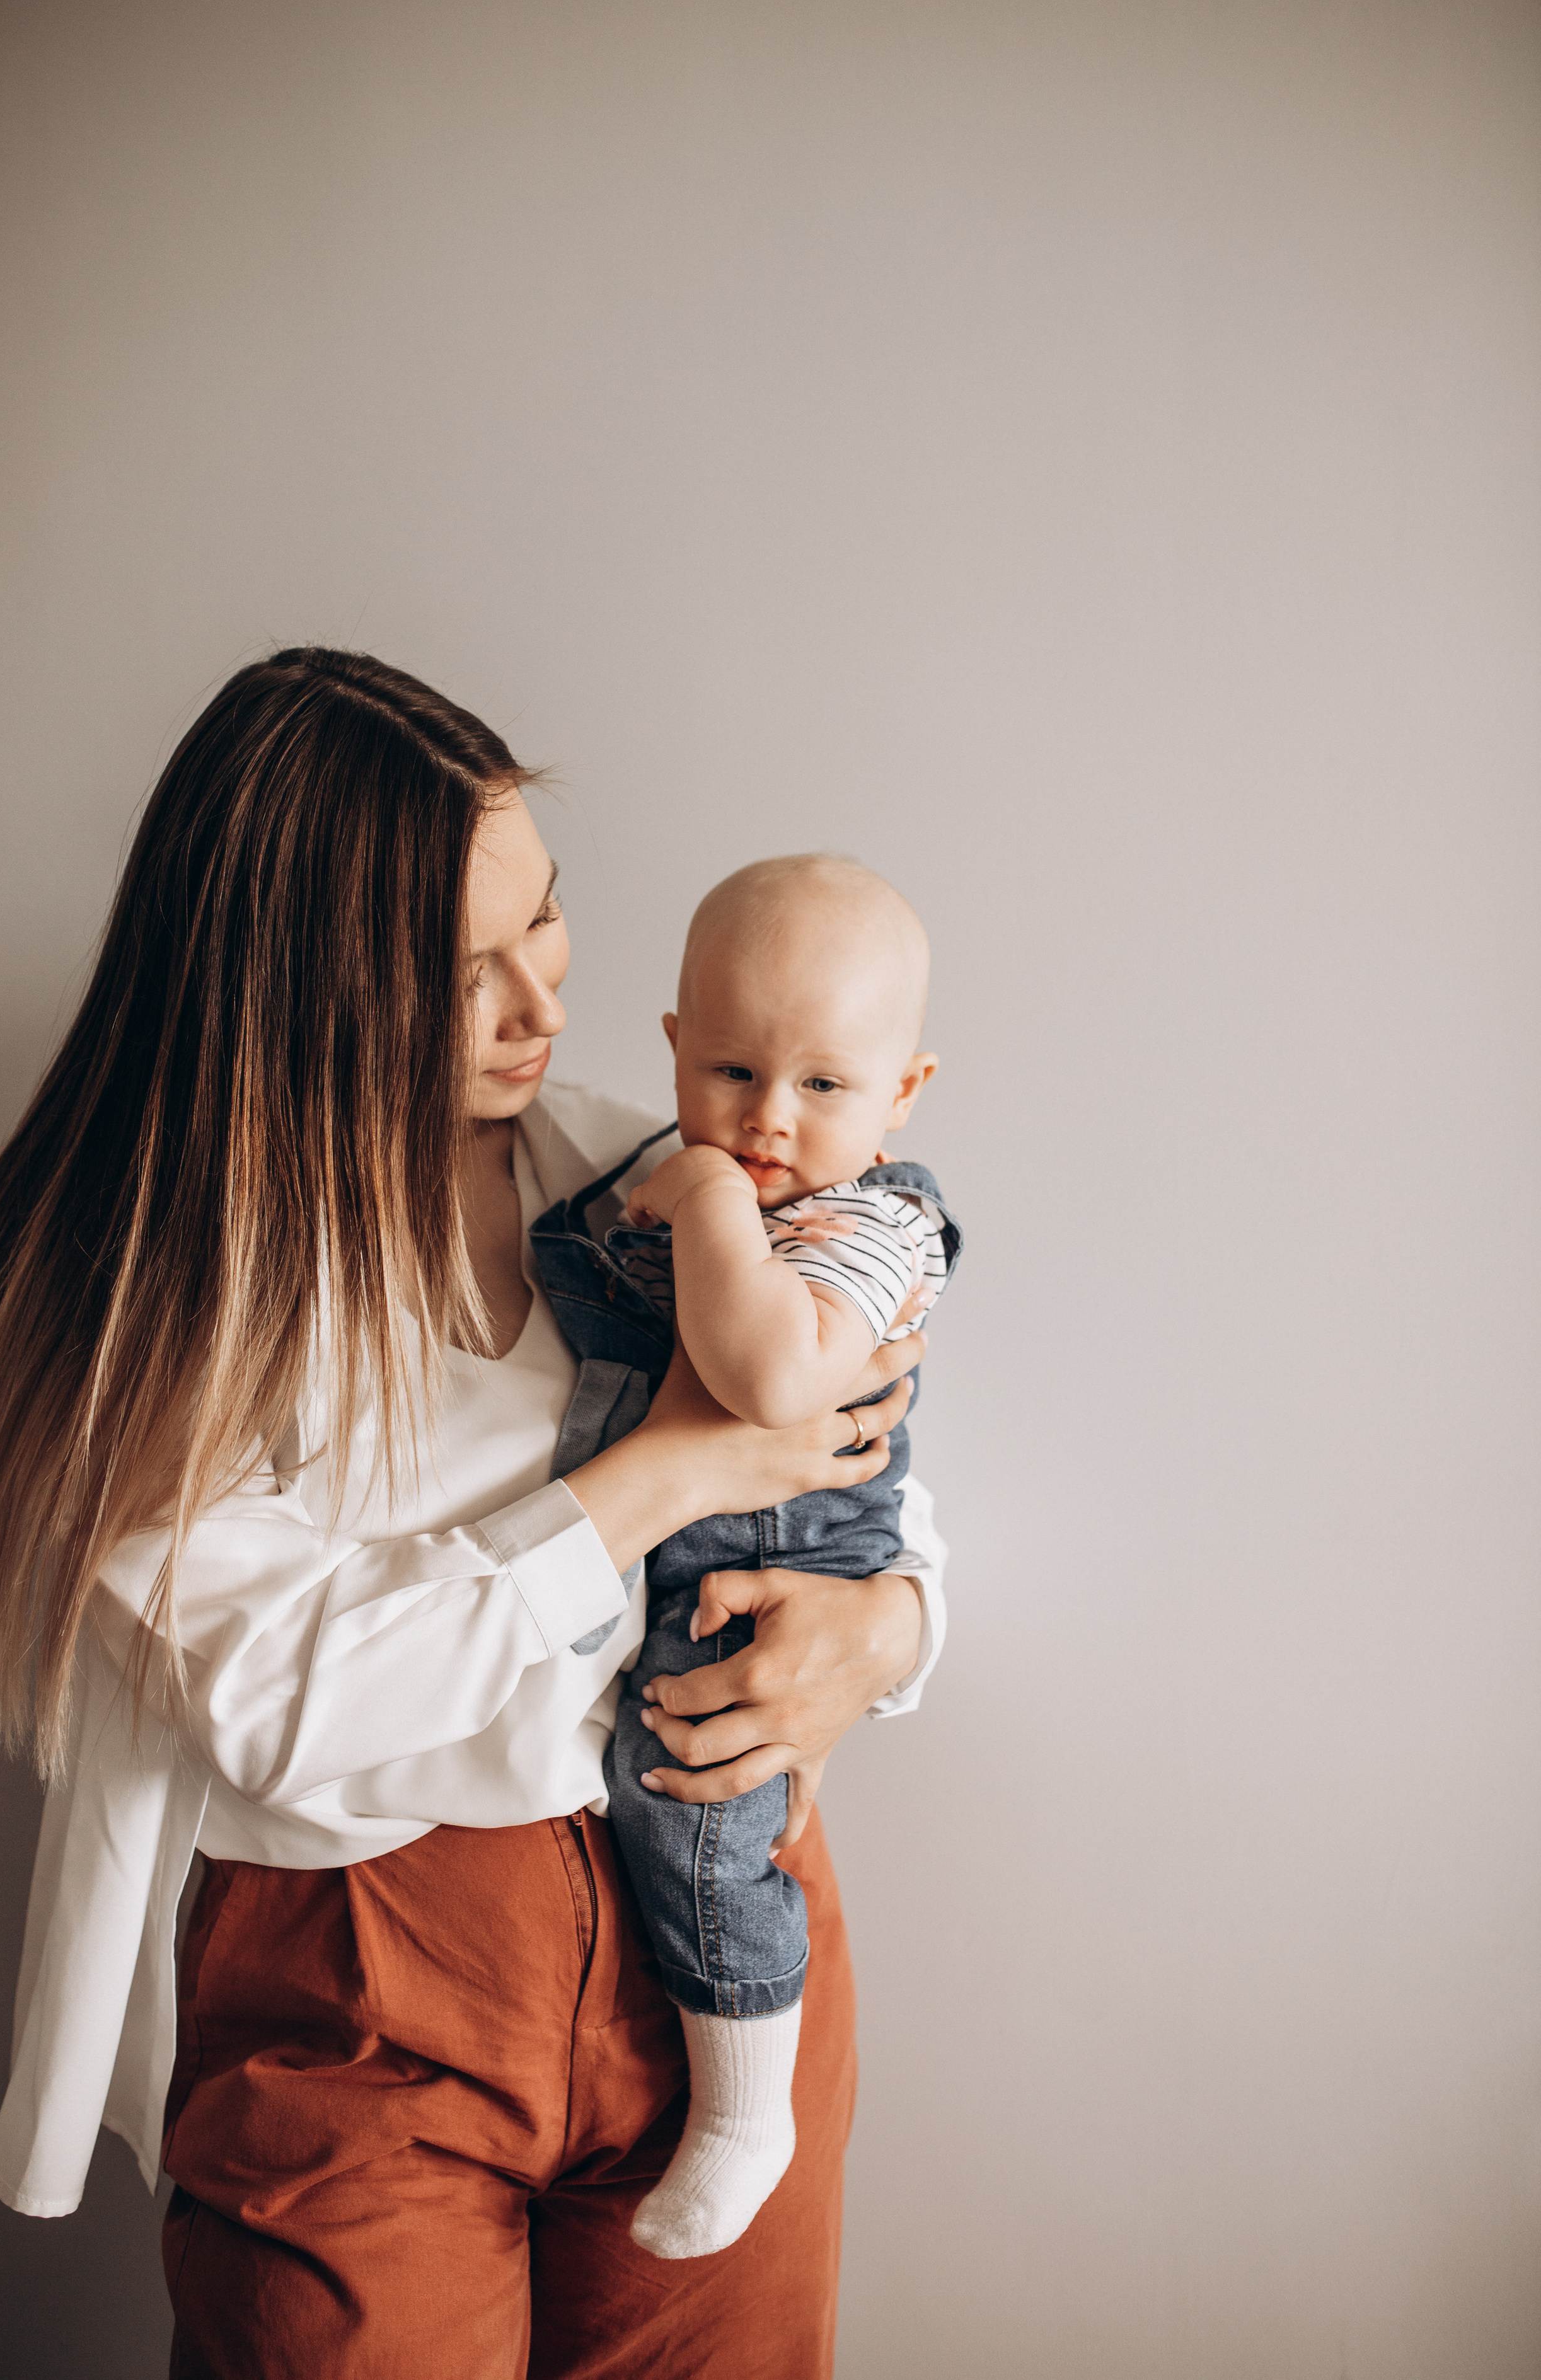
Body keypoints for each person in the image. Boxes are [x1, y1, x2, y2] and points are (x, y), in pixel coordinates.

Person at [0, 648, 947, 2379]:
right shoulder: (139, 1289)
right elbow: (289, 1703)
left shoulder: (644, 1174)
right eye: (450, 968)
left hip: (719, 1951)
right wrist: (668, 1476)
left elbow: (877, 1459)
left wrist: (895, 1625)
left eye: (542, 921)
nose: (534, 1002)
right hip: (358, 1982)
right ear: (279, 984)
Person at [528, 854, 960, 2260]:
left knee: (693, 1815)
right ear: (671, 1045)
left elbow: (774, 1378)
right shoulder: (627, 1164)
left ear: (900, 1094)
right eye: (729, 1070)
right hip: (663, 1547)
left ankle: (741, 2109)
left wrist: (707, 1198)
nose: (769, 1120)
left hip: (768, 1558)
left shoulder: (866, 1224)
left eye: (823, 1086)